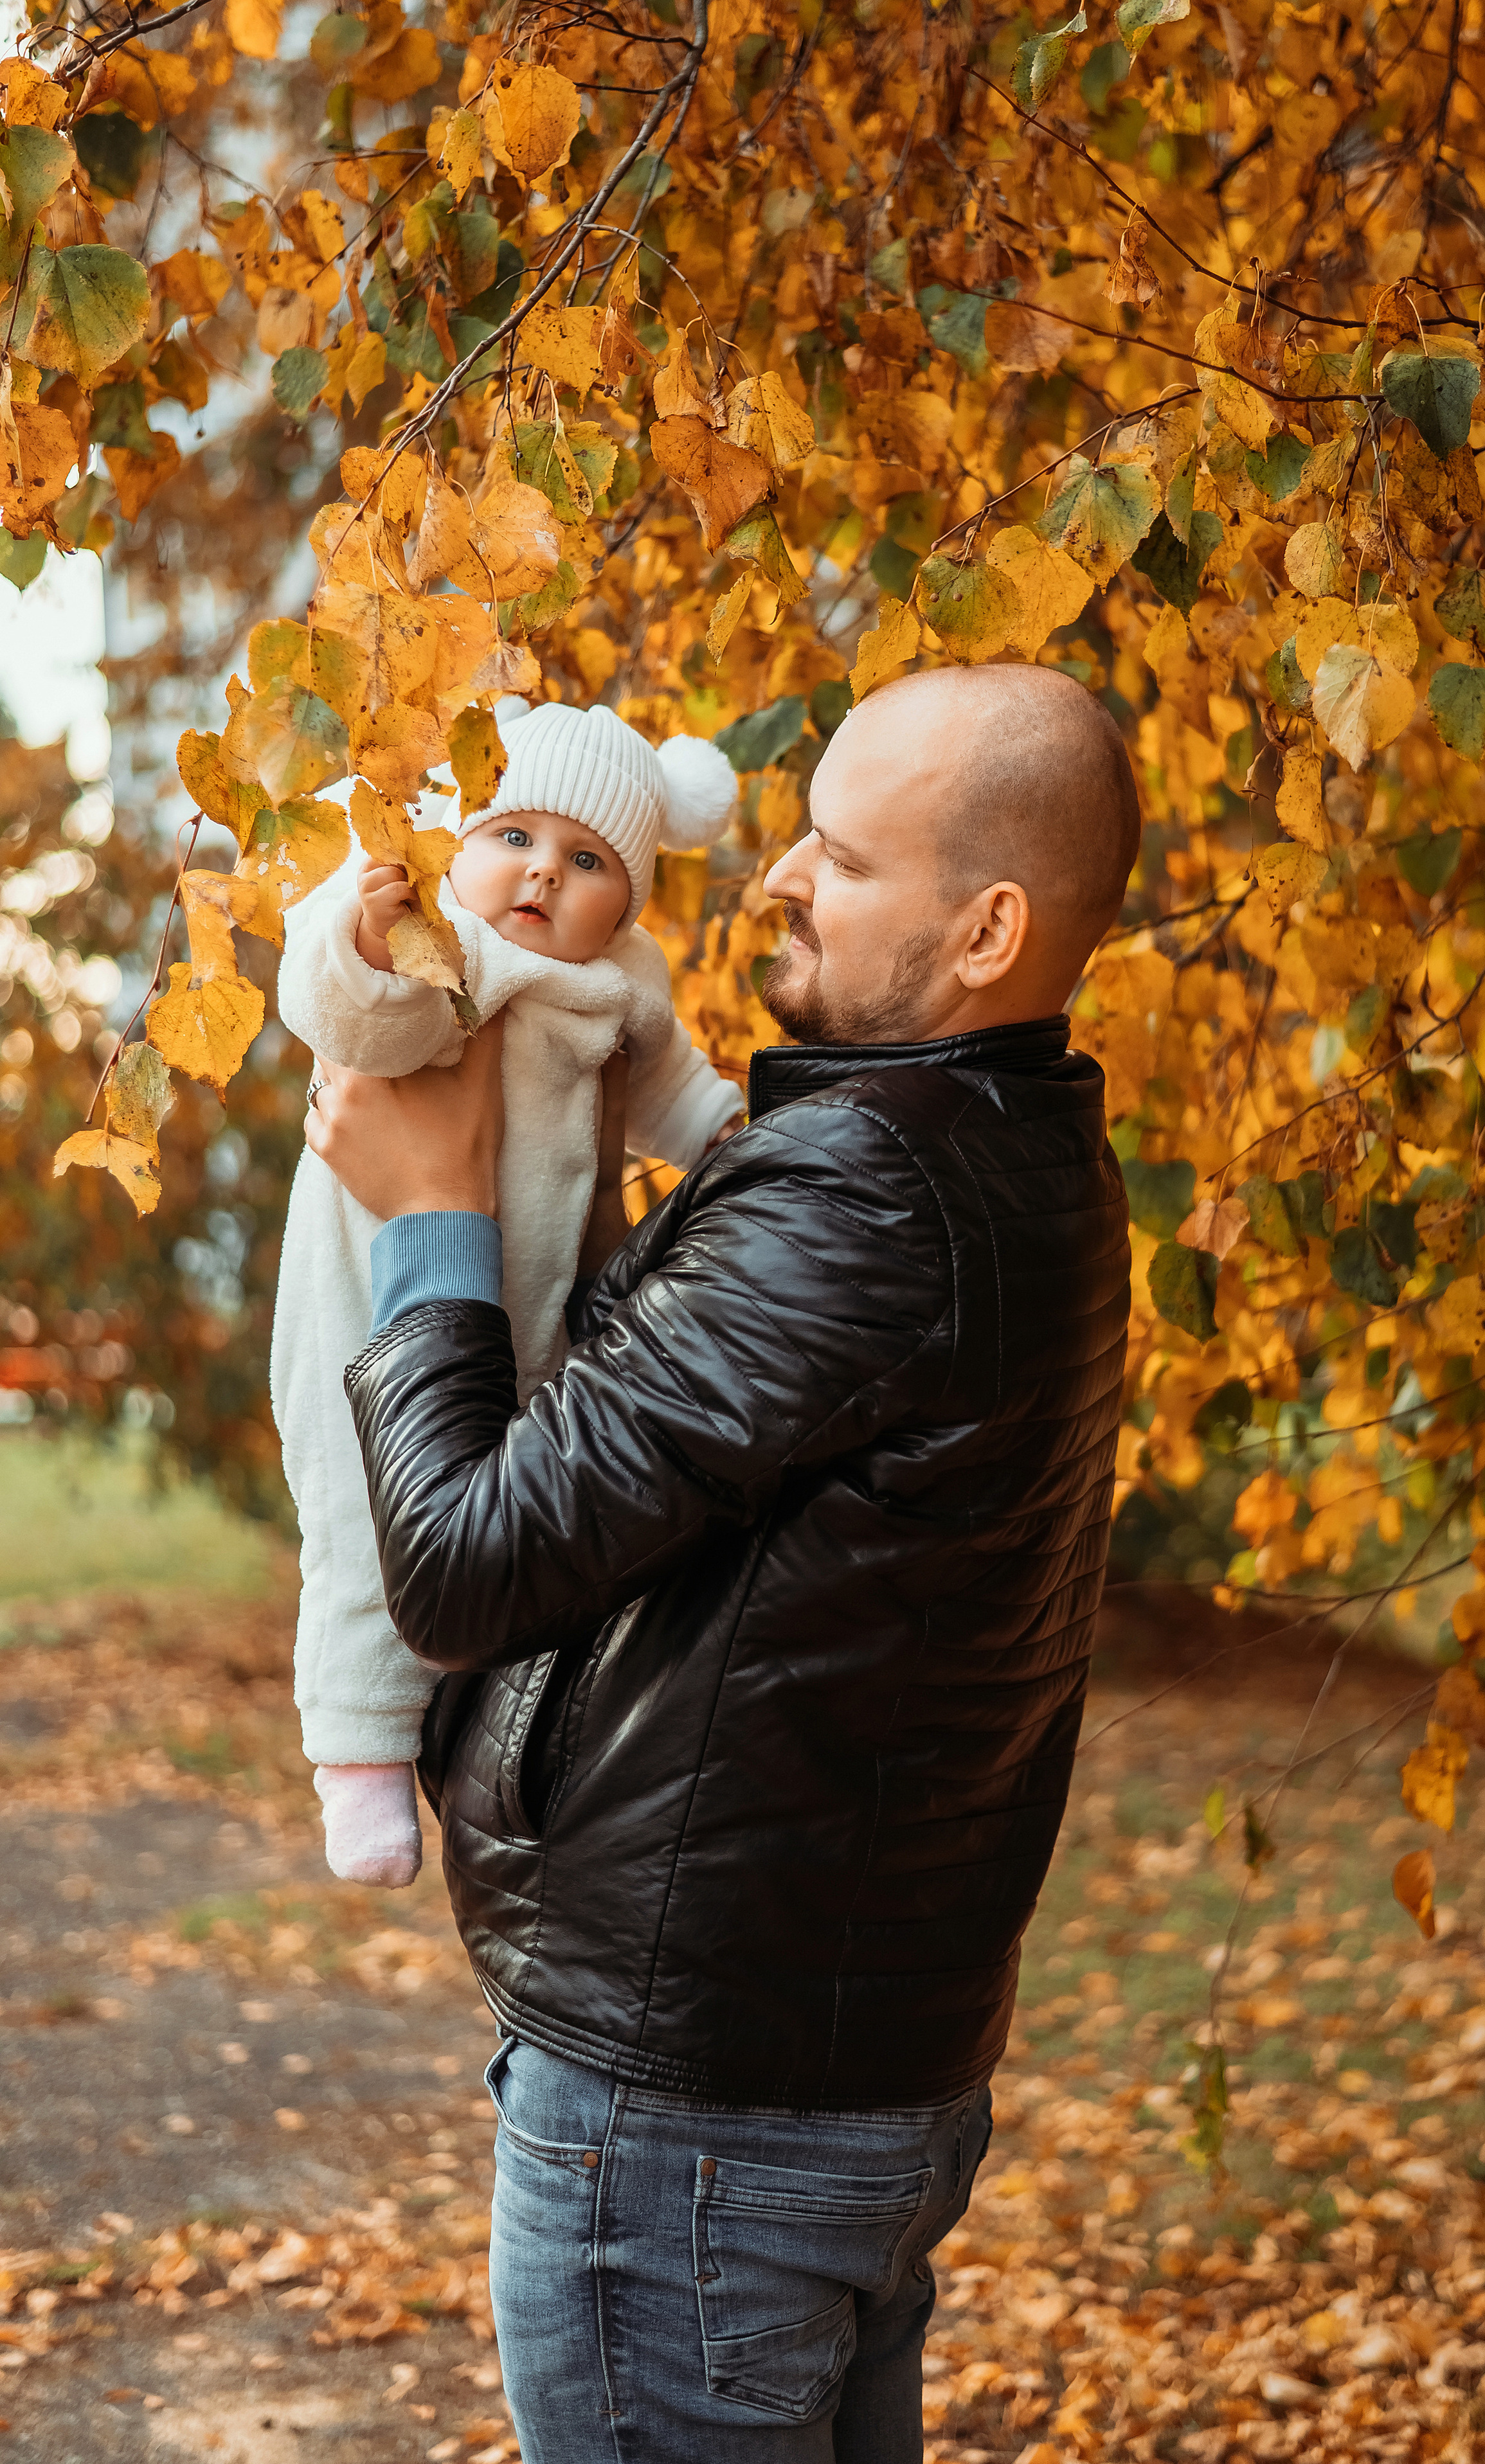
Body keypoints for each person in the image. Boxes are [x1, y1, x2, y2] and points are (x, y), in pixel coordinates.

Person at [304, 663, 1140, 2463]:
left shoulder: (861, 1197)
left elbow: (460, 1566)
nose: (772, 880)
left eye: (837, 857)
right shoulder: (1029, 1145)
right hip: (840, 2084)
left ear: (987, 929)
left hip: (701, 2139)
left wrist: (435, 1212)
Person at [270, 702, 744, 1888]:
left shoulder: (622, 985)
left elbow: (673, 1093)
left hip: (530, 1303)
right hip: (377, 1296)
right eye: (514, 836)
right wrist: (366, 944)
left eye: (587, 862)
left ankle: (456, 1710)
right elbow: (352, 1024)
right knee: (360, 1515)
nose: (543, 872)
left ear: (627, 906)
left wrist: (739, 1140)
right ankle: (358, 1749)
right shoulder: (450, 950)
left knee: (494, 1511)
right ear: (458, 845)